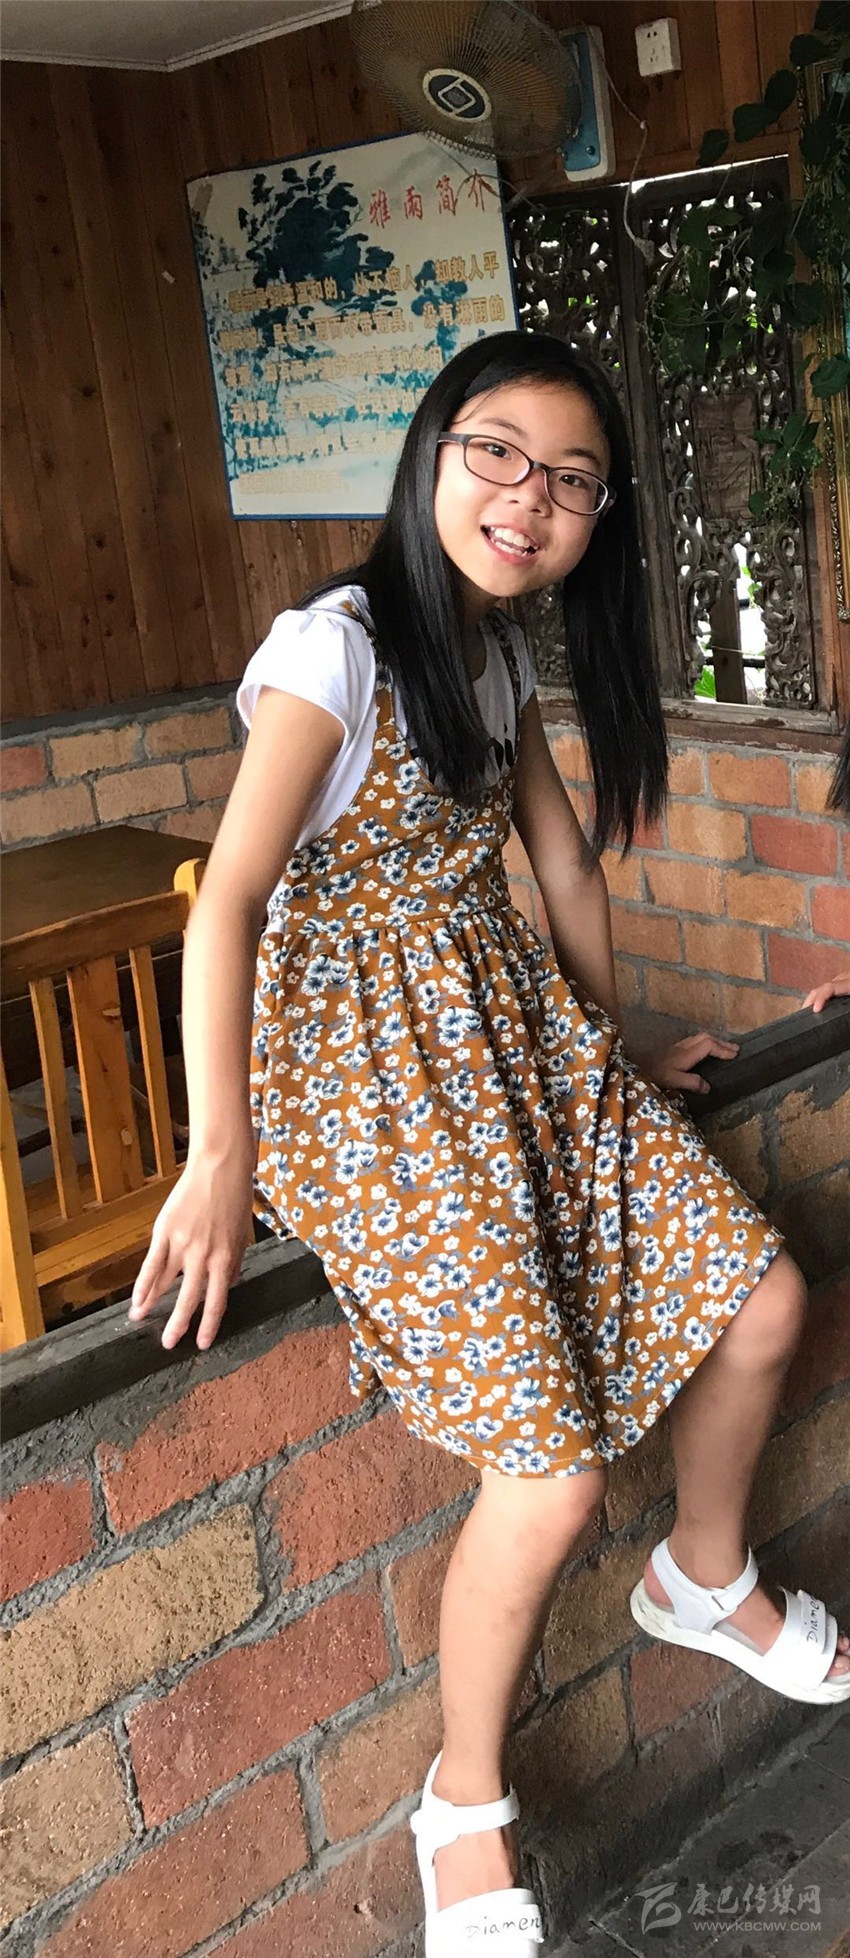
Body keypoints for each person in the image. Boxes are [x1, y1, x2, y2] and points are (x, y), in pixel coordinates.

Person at [129, 332, 849, 1956]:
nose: (530, 498)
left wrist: (610, 1058)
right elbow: (225, 902)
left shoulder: (496, 655)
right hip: (371, 1098)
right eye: (499, 453)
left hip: (511, 1050)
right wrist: (219, 1150)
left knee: (763, 1301)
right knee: (548, 1470)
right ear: (433, 452)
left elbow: (566, 874)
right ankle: (464, 1799)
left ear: (599, 519)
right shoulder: (334, 652)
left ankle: (702, 1572)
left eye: (572, 480)